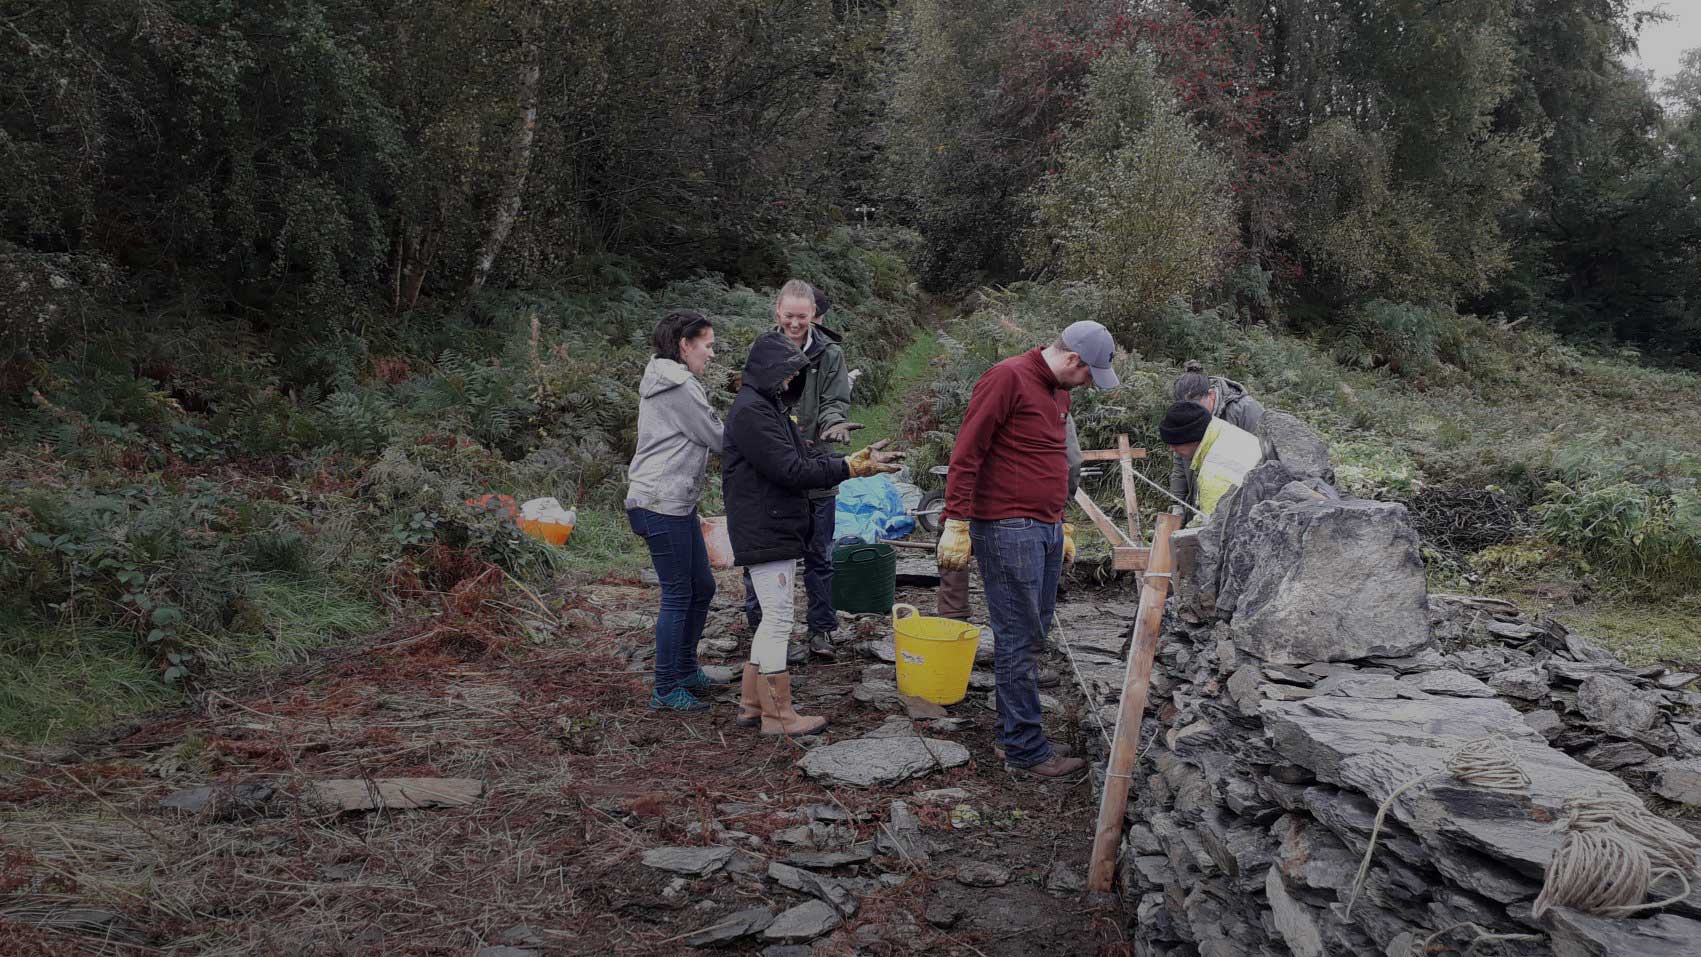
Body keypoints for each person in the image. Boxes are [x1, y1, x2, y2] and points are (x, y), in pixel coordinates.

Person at [936, 320, 1121, 778]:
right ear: (1074, 360)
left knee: (1034, 629)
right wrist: (956, 520)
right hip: (1007, 525)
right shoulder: (1007, 377)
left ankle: (1011, 733)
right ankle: (1023, 748)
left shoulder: (1060, 392)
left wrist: (1062, 521)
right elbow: (968, 450)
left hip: (1044, 525)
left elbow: (1053, 459)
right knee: (1017, 636)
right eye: (1088, 375)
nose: (1089, 385)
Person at [724, 330, 902, 735]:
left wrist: (848, 458)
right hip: (765, 526)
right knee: (779, 617)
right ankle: (779, 715)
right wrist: (850, 469)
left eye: (794, 376)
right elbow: (792, 470)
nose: (790, 383)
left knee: (773, 616)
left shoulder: (765, 408)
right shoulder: (752, 412)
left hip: (771, 522)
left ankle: (753, 704)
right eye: (786, 375)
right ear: (769, 371)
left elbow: (800, 455)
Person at [742, 280, 853, 663]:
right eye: (788, 316)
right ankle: (765, 631)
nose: (794, 324)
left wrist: (833, 425)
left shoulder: (830, 354)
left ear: (815, 316)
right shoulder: (763, 350)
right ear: (777, 312)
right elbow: (756, 400)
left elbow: (835, 400)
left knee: (820, 554)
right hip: (774, 468)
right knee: (766, 553)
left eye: (802, 317)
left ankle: (820, 629)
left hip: (817, 465)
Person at [625, 310, 727, 711]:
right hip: (659, 503)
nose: (712, 353)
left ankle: (685, 669)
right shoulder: (679, 386)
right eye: (708, 344)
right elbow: (718, 438)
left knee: (703, 587)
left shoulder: (670, 378)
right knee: (678, 594)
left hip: (675, 502)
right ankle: (665, 688)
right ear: (685, 345)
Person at [1168, 361, 1265, 513]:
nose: (1190, 413)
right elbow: (1181, 461)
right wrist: (1177, 502)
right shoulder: (1186, 416)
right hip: (1201, 501)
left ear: (1211, 395)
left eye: (1195, 405)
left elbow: (1263, 458)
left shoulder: (1245, 411)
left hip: (1240, 504)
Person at [1159, 400, 1264, 518]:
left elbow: (1212, 529)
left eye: (1175, 443)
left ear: (1192, 437)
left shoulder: (1213, 476)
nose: (1171, 449)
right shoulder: (1224, 430)